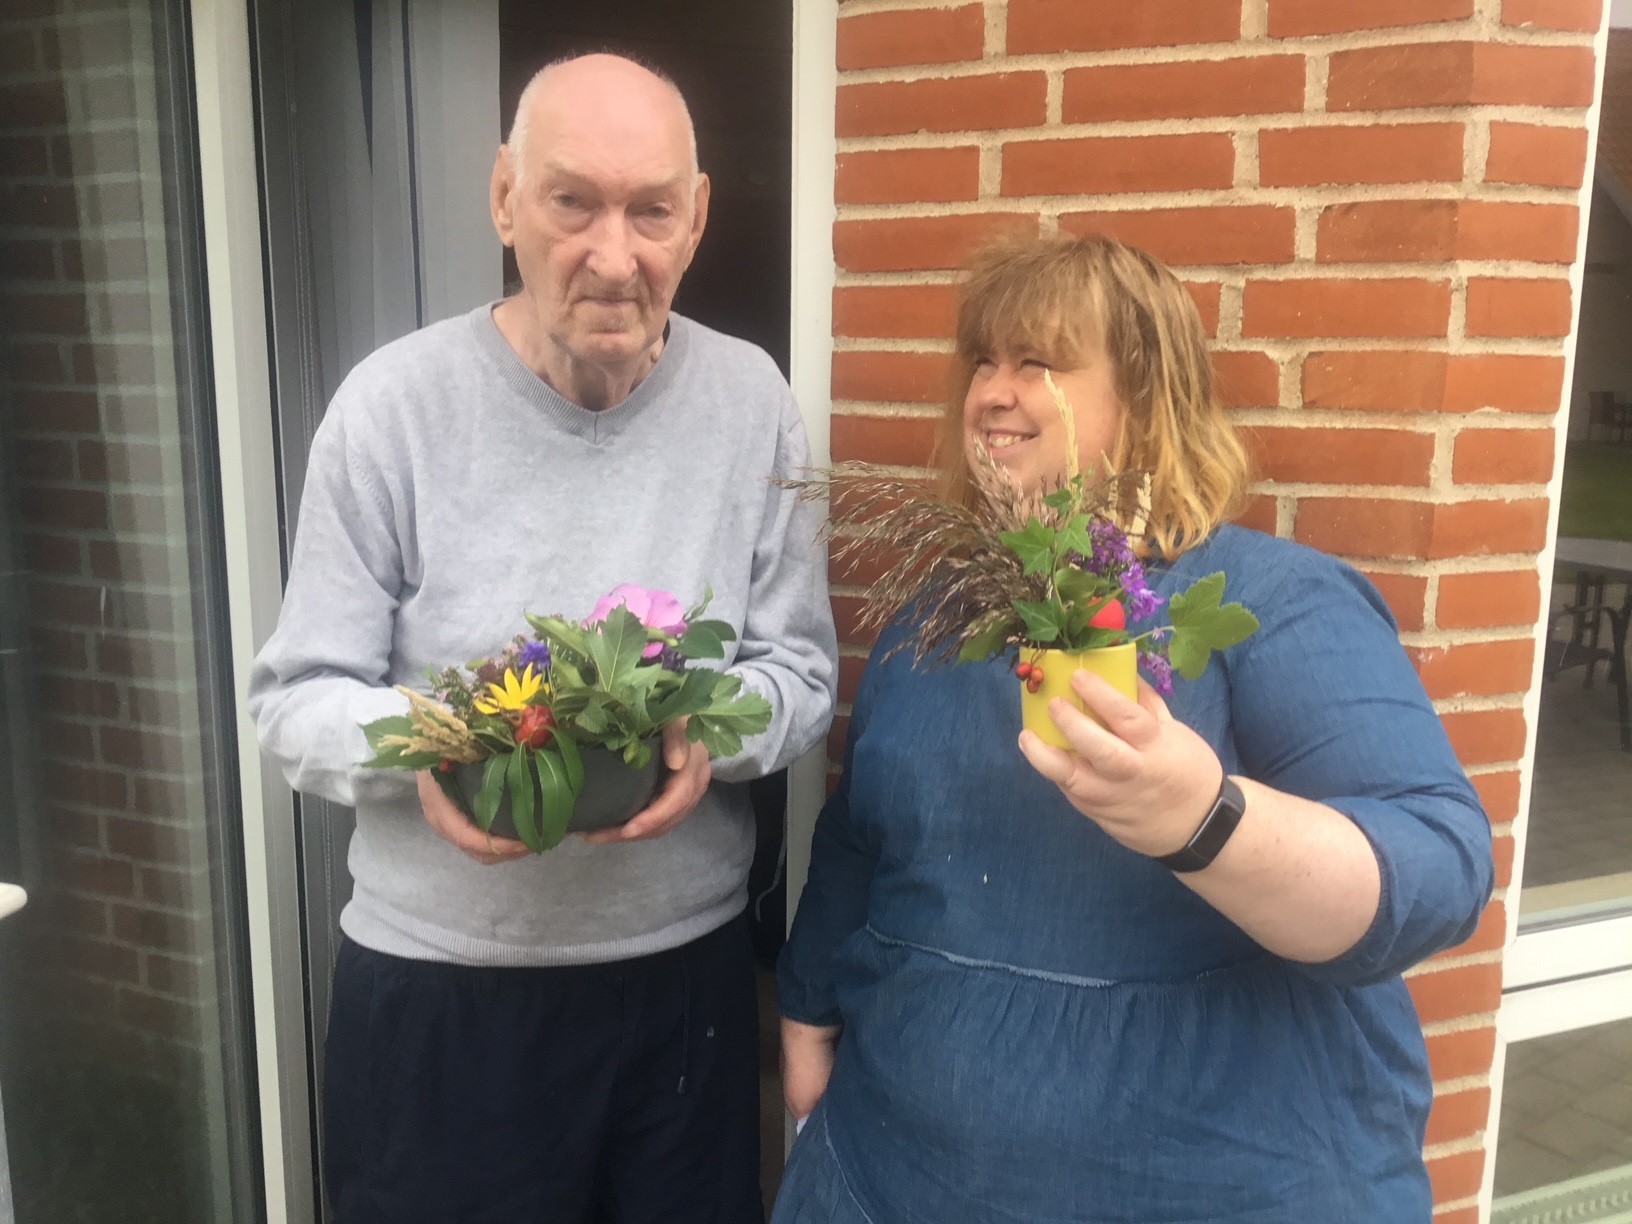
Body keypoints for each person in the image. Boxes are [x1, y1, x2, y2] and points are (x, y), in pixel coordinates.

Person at [774, 234, 1492, 1223]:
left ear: (1148, 398)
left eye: (1038, 362)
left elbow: (1439, 867)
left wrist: (1203, 819)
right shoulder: (938, 616)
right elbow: (863, 835)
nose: (994, 393)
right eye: (983, 361)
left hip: (1213, 1181)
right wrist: (807, 1006)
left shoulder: (1272, 603)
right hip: (893, 1171)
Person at [250, 53, 836, 1224]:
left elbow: (803, 671)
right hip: (440, 1000)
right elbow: (294, 700)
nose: (615, 256)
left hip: (684, 991)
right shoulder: (393, 408)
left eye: (652, 210)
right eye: (573, 202)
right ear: (504, 198)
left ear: (697, 217)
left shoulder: (752, 401)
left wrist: (703, 736)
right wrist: (438, 741)